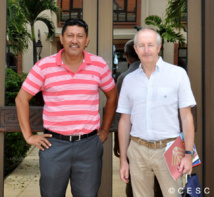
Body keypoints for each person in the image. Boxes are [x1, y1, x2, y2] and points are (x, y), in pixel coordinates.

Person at [15, 18, 118, 197]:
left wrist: (105, 130)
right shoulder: (44, 66)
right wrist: (28, 136)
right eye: (70, 35)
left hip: (88, 145)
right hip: (54, 145)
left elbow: (112, 95)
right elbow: (21, 99)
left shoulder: (99, 65)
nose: (75, 40)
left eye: (80, 36)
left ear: (87, 40)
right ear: (61, 39)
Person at [117, 29, 196, 197]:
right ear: (136, 50)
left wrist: (188, 155)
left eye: (150, 45)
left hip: (169, 150)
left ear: (158, 47)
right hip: (137, 150)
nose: (146, 50)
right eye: (141, 46)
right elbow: (124, 120)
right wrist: (123, 159)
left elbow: (187, 116)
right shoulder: (129, 80)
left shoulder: (177, 74)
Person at [113, 39, 140, 197]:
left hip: (133, 140)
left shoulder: (124, 78)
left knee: (133, 181)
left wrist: (118, 142)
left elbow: (120, 113)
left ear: (126, 56)